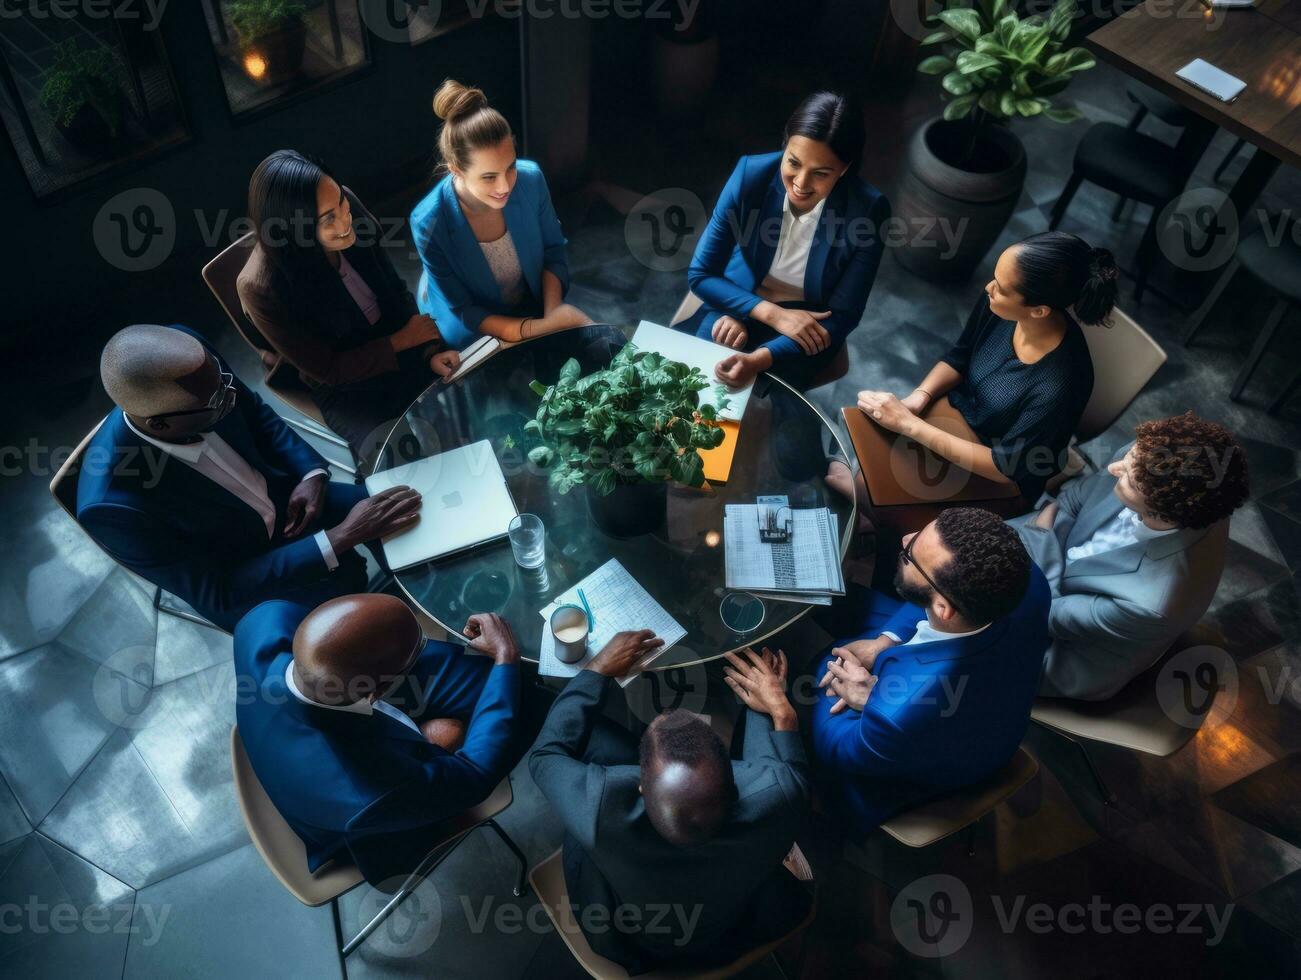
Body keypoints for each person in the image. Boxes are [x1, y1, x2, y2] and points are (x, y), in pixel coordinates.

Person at [79, 324, 421, 633]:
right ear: (160, 425)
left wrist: (310, 473)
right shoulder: (113, 508)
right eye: (218, 400)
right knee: (362, 636)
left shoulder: (198, 368)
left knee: (412, 514)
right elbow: (220, 590)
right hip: (254, 581)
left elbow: (255, 410)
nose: (230, 394)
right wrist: (339, 537)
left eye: (226, 383)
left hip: (291, 500)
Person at [529, 634, 811, 973]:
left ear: (640, 789)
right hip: (737, 928)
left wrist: (597, 670)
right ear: (737, 778)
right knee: (763, 719)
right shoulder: (781, 795)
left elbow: (545, 755)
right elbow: (786, 766)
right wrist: (780, 706)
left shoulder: (601, 810)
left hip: (634, 944)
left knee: (594, 747)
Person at [234, 594, 522, 883]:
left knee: (476, 675)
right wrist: (505, 657)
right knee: (524, 701)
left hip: (300, 721)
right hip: (379, 826)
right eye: (419, 647)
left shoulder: (265, 619)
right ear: (379, 690)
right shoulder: (370, 794)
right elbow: (475, 774)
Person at [811, 507, 1049, 831]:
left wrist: (858, 687)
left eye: (910, 557)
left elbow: (837, 748)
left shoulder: (896, 715)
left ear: (943, 608)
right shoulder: (1025, 581)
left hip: (908, 768)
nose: (905, 539)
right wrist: (883, 642)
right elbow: (933, 592)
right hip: (984, 688)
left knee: (810, 670)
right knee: (832, 595)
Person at [849, 231, 1115, 505]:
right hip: (959, 418)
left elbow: (1005, 468)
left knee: (864, 496)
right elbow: (959, 357)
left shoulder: (1061, 383)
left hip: (1000, 473)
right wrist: (919, 398)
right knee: (861, 478)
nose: (989, 287)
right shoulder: (1000, 306)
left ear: (1039, 310)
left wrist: (909, 425)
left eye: (1001, 286)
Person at [236, 149, 459, 467]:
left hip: (397, 336)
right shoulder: (262, 288)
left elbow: (394, 291)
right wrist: (402, 341)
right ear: (294, 230)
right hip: (346, 386)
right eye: (329, 219)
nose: (346, 220)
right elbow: (327, 369)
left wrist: (427, 350)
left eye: (340, 202)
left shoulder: (347, 205)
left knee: (462, 409)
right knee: (401, 465)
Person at [1010, 412, 1249, 700]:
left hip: (1058, 653)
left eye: (1131, 483)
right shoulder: (1146, 459)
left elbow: (1041, 613)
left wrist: (1042, 536)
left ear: (1164, 514)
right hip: (1051, 577)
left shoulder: (1150, 604)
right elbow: (1071, 502)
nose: (1113, 467)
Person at [677, 90, 889, 390]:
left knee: (760, 413)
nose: (801, 183)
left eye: (821, 173)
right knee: (693, 389)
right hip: (738, 298)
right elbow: (701, 274)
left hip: (807, 322)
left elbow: (844, 316)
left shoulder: (869, 210)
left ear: (845, 168)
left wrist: (759, 359)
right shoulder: (750, 175)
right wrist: (763, 313)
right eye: (793, 162)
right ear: (785, 143)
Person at [409, 79, 592, 350]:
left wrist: (552, 315)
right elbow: (463, 308)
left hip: (530, 300)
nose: (505, 186)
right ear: (456, 171)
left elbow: (553, 252)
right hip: (470, 322)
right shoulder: (428, 222)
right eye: (488, 177)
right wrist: (533, 329)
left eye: (510, 167)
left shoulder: (530, 180)